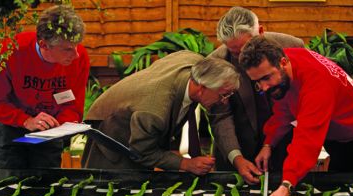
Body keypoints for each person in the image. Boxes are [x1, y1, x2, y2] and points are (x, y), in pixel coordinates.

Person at [239, 36, 353, 196]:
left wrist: (286, 185)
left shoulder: (317, 86)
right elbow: (284, 110)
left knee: (343, 190)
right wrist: (269, 144)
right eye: (257, 81)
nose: (264, 87)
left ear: (283, 62)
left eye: (266, 78)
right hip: (333, 123)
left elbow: (307, 140)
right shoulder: (286, 65)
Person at [82, 50, 240, 175]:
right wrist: (185, 164)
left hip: (138, 116)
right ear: (201, 88)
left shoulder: (194, 63)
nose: (224, 101)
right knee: (110, 189)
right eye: (223, 95)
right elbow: (142, 152)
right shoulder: (154, 111)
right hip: (111, 135)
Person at [208, 6, 304, 182]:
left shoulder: (292, 47)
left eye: (247, 47)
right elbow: (220, 117)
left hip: (284, 146)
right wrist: (236, 158)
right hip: (238, 150)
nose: (244, 58)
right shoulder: (216, 63)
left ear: (260, 32)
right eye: (236, 53)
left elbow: (302, 103)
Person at [0, 5, 90, 169]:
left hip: (50, 130)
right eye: (67, 49)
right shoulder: (10, 52)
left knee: (46, 183)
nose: (76, 55)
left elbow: (73, 106)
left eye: (76, 46)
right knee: (9, 183)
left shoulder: (79, 58)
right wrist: (25, 120)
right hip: (10, 127)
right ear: (44, 45)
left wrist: (58, 125)